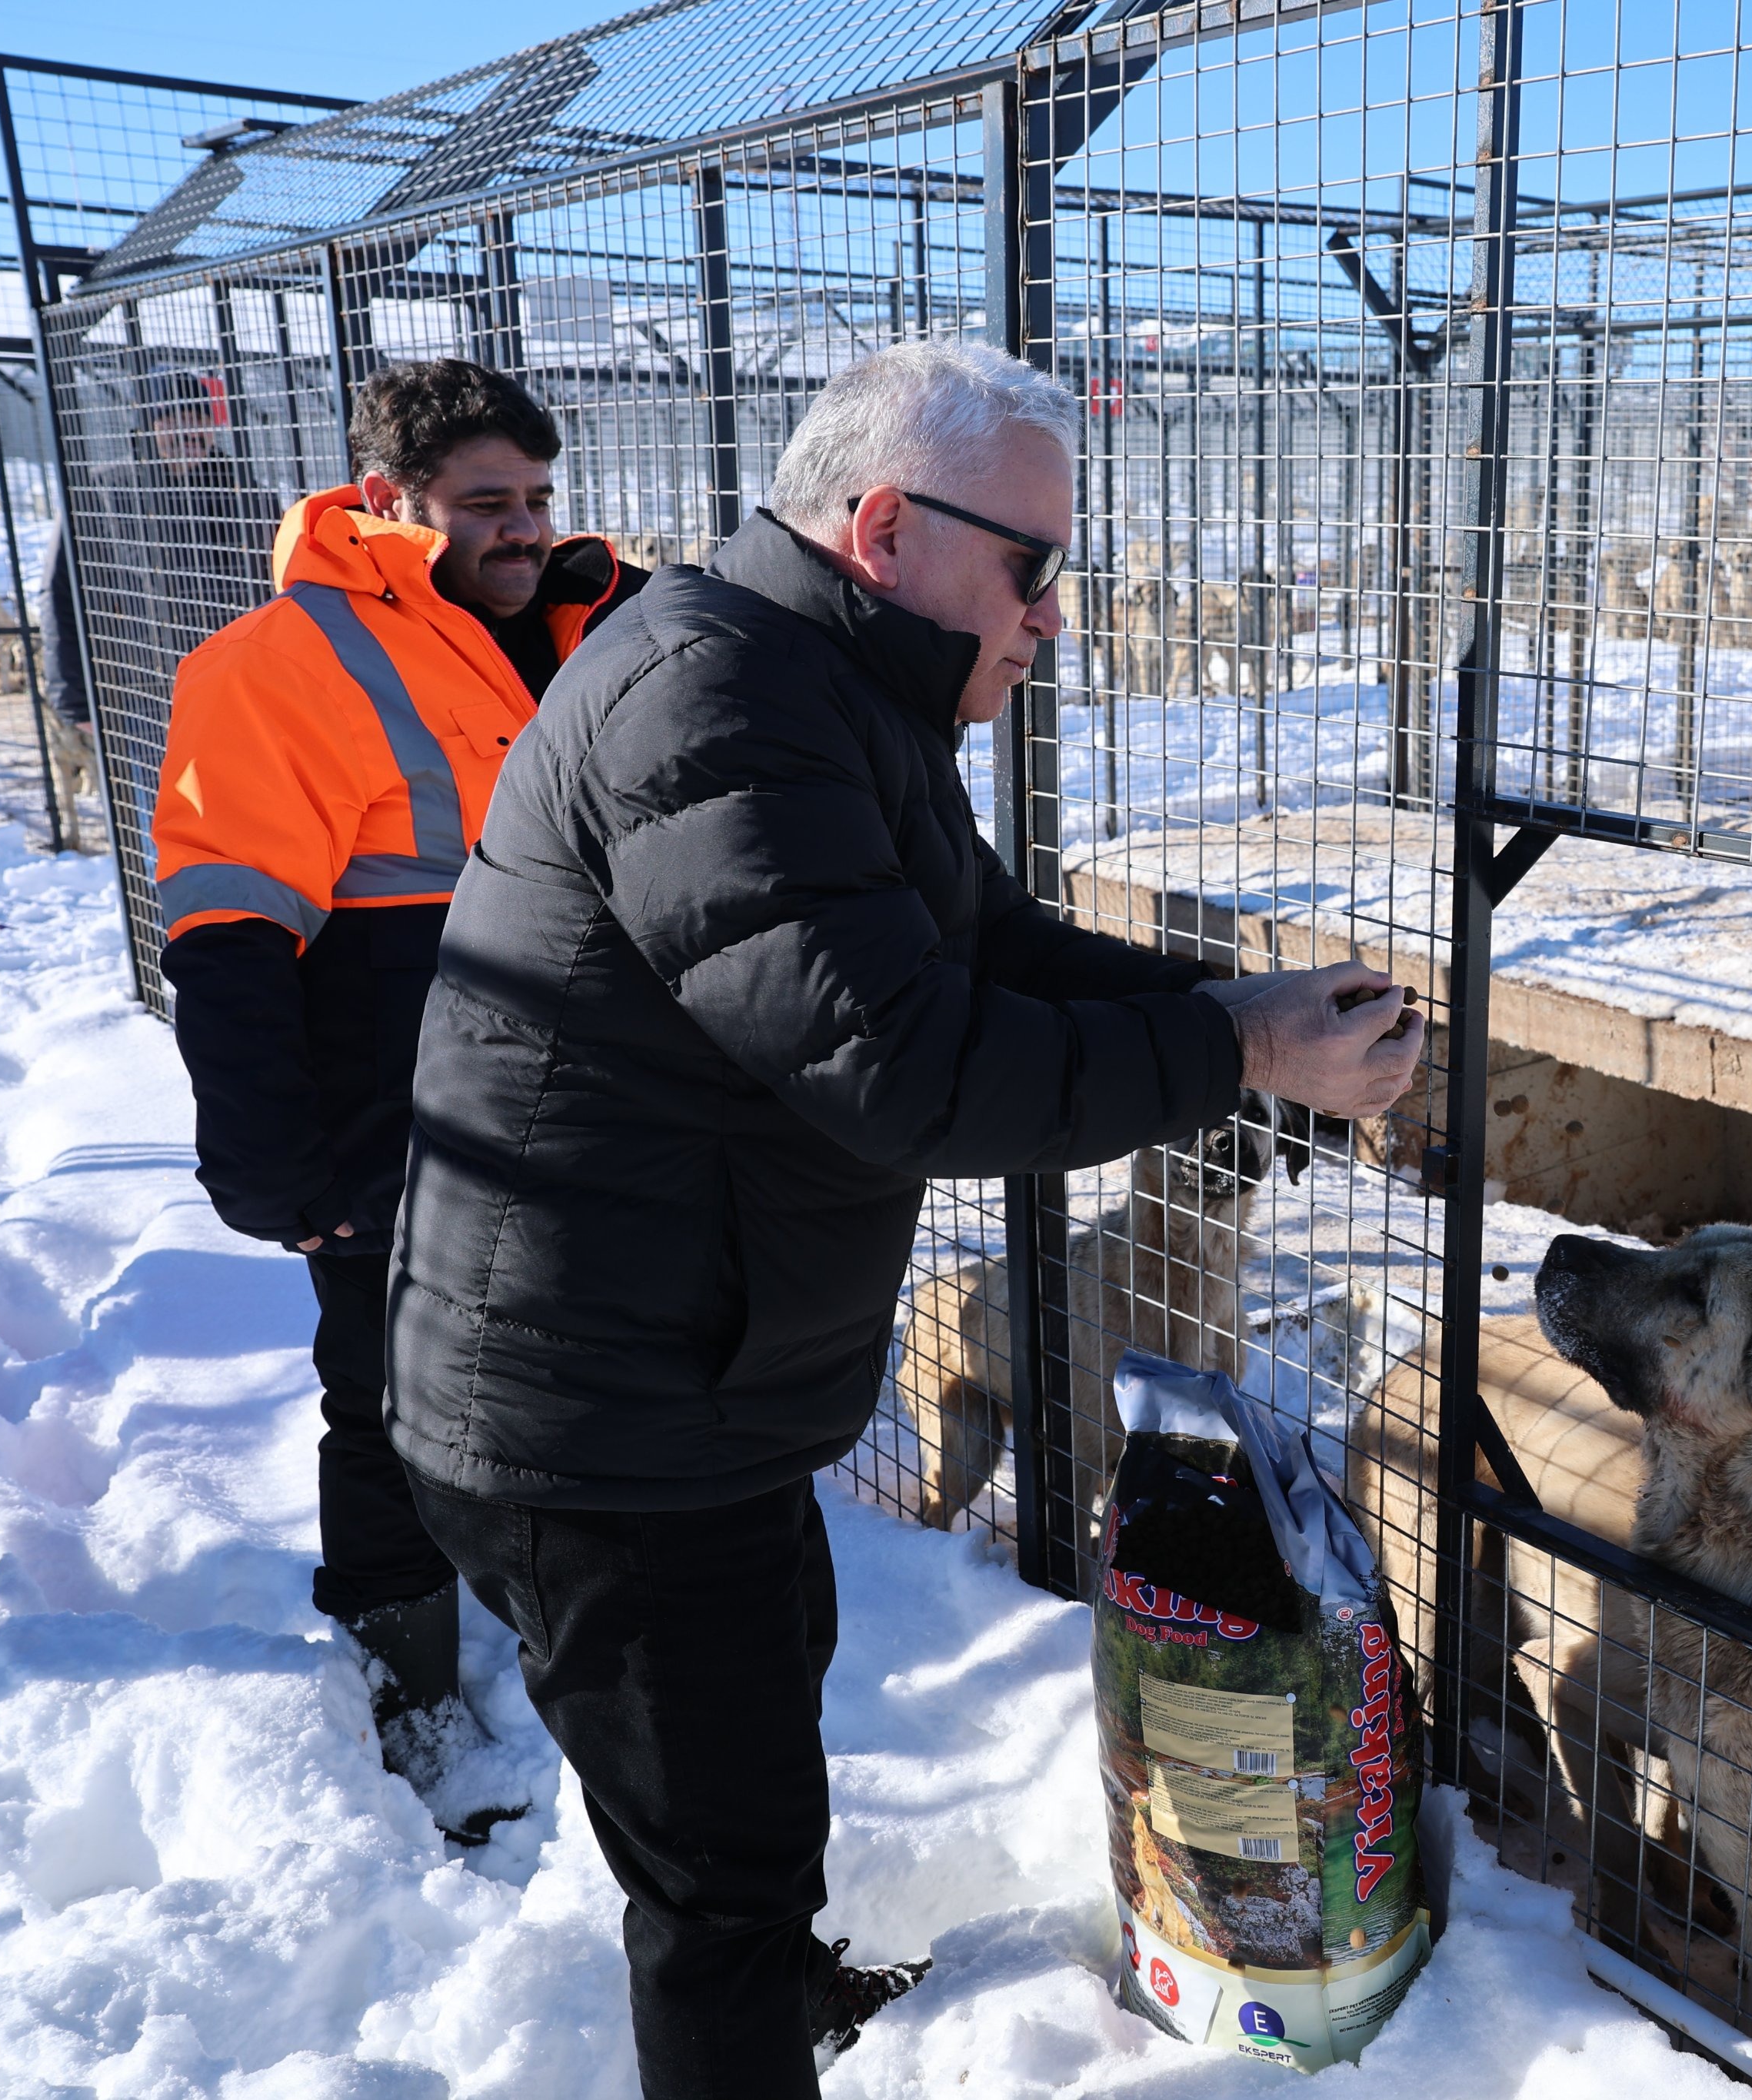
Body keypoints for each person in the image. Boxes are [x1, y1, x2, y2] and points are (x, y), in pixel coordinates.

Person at [386, 338, 1424, 2094]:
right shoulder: (714, 703)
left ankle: (786, 1989)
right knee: (712, 1882)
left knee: (760, 1728)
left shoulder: (823, 682)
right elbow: (901, 1062)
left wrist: (1231, 1015)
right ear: (883, 531)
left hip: (681, 1375)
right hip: (593, 1416)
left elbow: (983, 945)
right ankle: (747, 2025)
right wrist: (1238, 1048)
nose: (1052, 618)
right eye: (1031, 568)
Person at [151, 358, 645, 1842]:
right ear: (384, 499)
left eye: (538, 497)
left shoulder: (583, 627)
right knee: (384, 1404)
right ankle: (409, 1677)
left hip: (584, 1107)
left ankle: (593, 1645)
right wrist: (275, 1165)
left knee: (587, 1384)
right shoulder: (275, 666)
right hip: (397, 1128)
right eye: (485, 502)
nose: (523, 526)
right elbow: (228, 933)